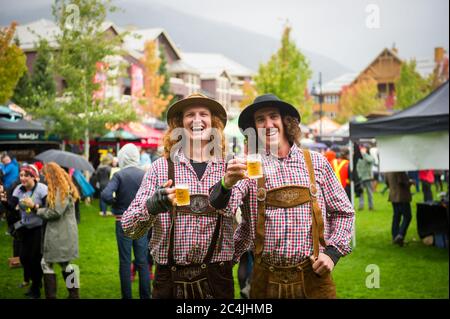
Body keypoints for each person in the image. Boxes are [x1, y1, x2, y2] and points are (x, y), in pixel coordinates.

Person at [210, 94, 354, 299]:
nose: (268, 124)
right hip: (264, 280)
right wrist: (227, 183)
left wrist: (332, 253)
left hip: (313, 276)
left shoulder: (316, 163)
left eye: (273, 116)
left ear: (286, 121)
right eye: (260, 119)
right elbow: (223, 207)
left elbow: (344, 212)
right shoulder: (249, 167)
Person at [121, 93, 235, 299]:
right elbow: (129, 227)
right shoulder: (160, 168)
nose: (197, 119)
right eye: (190, 114)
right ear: (180, 124)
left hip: (218, 279)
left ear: (213, 122)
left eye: (203, 114)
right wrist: (152, 206)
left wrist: (231, 258)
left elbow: (250, 226)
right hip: (169, 281)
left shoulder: (230, 169)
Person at [101, 143, 150, 299]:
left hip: (122, 220)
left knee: (125, 261)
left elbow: (105, 195)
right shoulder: (144, 174)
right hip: (142, 220)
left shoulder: (119, 175)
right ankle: (145, 295)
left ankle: (127, 296)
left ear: (122, 157)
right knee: (142, 261)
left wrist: (116, 203)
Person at [37, 162, 80, 299]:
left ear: (51, 175)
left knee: (46, 263)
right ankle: (74, 295)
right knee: (65, 263)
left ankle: (53, 296)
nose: (43, 178)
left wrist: (37, 210)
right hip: (65, 232)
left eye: (44, 175)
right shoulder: (63, 187)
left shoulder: (61, 189)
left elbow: (55, 212)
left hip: (60, 233)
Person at [4, 165, 48, 298]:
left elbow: (48, 209)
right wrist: (4, 201)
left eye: (26, 175)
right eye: (21, 175)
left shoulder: (42, 189)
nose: (22, 178)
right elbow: (12, 207)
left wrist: (35, 206)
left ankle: (35, 288)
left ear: (34, 176)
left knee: (35, 259)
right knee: (24, 258)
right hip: (25, 228)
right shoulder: (18, 189)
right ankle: (36, 282)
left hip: (39, 228)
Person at [384, 172, 413, 247]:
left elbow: (387, 182)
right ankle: (400, 235)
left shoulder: (388, 170)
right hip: (402, 196)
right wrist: (410, 182)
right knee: (407, 216)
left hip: (393, 195)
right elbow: (402, 181)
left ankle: (395, 236)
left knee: (396, 217)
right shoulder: (399, 169)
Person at [356, 145, 375, 211]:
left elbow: (372, 160)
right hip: (360, 177)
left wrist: (364, 154)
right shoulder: (358, 156)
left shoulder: (367, 156)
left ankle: (371, 206)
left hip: (367, 177)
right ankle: (361, 206)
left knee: (369, 193)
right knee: (360, 192)